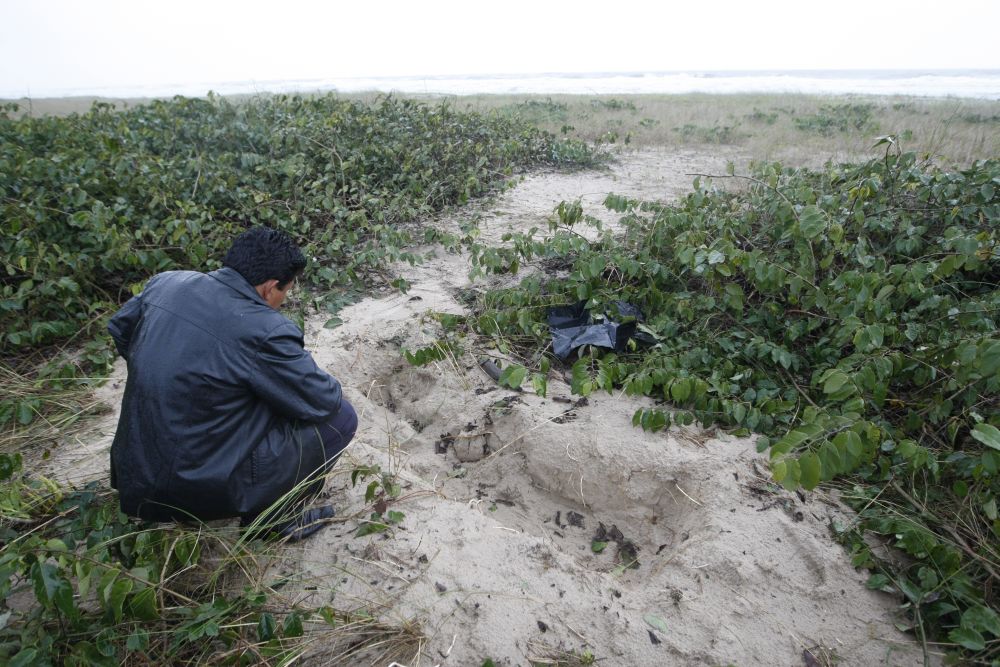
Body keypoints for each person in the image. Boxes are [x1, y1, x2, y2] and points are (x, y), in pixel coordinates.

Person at [107, 226, 356, 540]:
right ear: (270, 287)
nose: (284, 300)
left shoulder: (165, 283)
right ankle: (269, 523)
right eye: (287, 291)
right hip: (195, 489)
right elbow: (323, 400)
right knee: (342, 419)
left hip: (134, 475)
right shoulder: (264, 329)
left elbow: (121, 330)